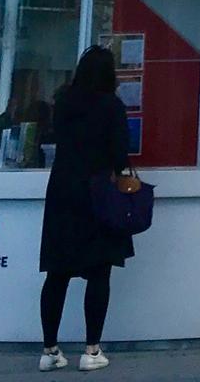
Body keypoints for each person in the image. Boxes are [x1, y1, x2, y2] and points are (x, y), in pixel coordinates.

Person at [38, 46, 133, 372]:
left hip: (63, 191)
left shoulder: (64, 102)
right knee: (99, 272)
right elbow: (121, 156)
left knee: (56, 273)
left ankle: (50, 350)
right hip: (97, 194)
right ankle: (92, 350)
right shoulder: (112, 106)